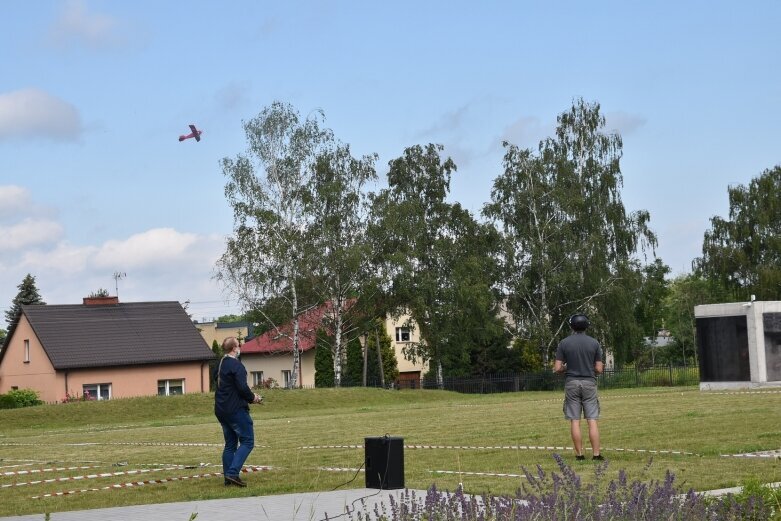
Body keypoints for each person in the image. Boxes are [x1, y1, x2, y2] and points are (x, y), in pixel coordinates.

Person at [554, 313, 604, 461]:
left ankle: (579, 455)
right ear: (586, 326)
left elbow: (557, 368)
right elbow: (599, 369)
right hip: (589, 382)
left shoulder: (564, 343)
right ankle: (596, 455)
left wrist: (566, 368)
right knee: (592, 420)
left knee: (575, 420)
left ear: (572, 326)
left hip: (572, 383)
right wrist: (590, 369)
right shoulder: (594, 343)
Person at [214, 337, 262, 487]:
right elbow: (242, 387)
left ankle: (228, 478)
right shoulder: (237, 366)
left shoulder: (220, 364)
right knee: (247, 441)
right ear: (235, 348)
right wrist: (253, 397)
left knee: (230, 444)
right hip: (235, 409)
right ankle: (233, 473)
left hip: (221, 409)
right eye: (238, 345)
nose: (240, 347)